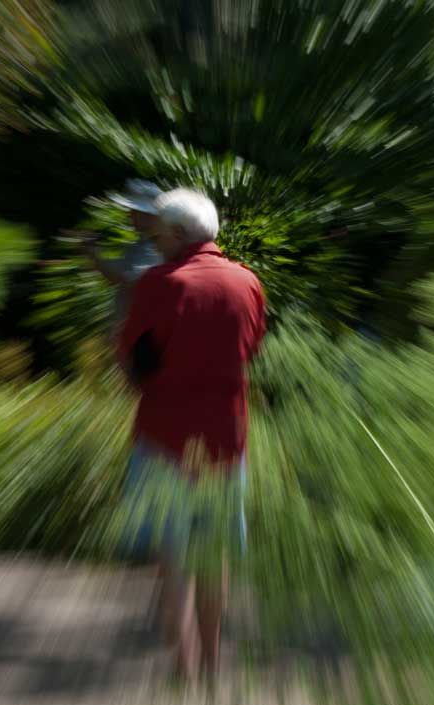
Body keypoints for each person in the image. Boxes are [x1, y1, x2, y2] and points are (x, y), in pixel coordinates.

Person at [117, 188, 267, 680]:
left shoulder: (158, 284)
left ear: (179, 234)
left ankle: (183, 664)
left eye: (160, 235)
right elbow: (252, 348)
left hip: (165, 434)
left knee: (172, 551)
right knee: (214, 550)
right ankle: (212, 658)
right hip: (226, 436)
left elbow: (134, 364)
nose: (155, 243)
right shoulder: (248, 283)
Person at [80, 179, 164, 336]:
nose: (129, 215)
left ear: (147, 214)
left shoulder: (155, 247)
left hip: (141, 337)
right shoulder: (143, 243)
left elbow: (123, 277)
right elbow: (121, 270)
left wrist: (94, 254)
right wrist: (95, 255)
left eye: (134, 210)